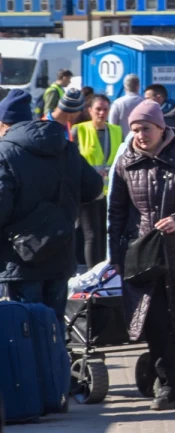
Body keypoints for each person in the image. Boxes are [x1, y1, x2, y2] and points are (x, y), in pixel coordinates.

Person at [108, 100, 175, 410]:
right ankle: (169, 389)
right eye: (135, 129)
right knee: (154, 322)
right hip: (143, 253)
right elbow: (116, 212)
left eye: (146, 128)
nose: (140, 134)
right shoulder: (125, 162)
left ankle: (155, 368)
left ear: (161, 128)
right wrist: (115, 256)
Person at [0, 89, 104, 320]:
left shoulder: (5, 152)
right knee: (53, 328)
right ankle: (55, 358)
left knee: (24, 330)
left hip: (20, 260)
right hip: (60, 251)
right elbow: (94, 187)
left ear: (3, 124)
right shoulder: (65, 147)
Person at [72, 93, 121, 268]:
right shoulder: (79, 130)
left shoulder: (116, 131)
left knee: (104, 233)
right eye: (98, 109)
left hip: (111, 191)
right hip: (89, 190)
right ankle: (93, 273)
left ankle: (104, 271)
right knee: (91, 234)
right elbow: (73, 160)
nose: (102, 113)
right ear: (90, 110)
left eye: (105, 109)